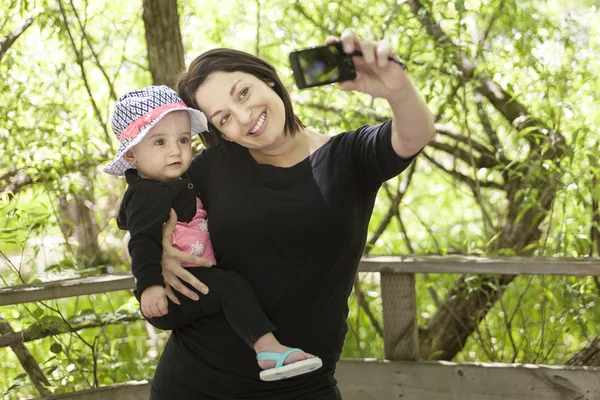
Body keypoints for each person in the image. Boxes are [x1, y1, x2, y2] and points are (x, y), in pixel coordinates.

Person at [150, 29, 436, 399]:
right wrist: (153, 249)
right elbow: (142, 215)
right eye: (223, 118)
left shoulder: (347, 158)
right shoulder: (210, 168)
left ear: (267, 78)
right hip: (194, 381)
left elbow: (414, 135)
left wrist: (397, 90)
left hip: (302, 383)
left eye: (243, 93)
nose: (243, 115)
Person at [104, 85, 322, 382]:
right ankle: (268, 349)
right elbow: (141, 240)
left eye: (182, 140)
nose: (175, 150)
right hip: (173, 292)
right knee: (229, 288)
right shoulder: (147, 194)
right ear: (131, 154)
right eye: (159, 142)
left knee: (228, 291)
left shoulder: (175, 182)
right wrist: (149, 286)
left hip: (190, 283)